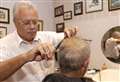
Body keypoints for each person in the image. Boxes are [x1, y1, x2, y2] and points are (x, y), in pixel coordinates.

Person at [0, 1, 78, 82]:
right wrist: (25, 57)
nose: (32, 27)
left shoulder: (48, 37)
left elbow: (67, 36)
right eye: (26, 23)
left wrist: (70, 32)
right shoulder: (3, 44)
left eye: (35, 22)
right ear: (15, 22)